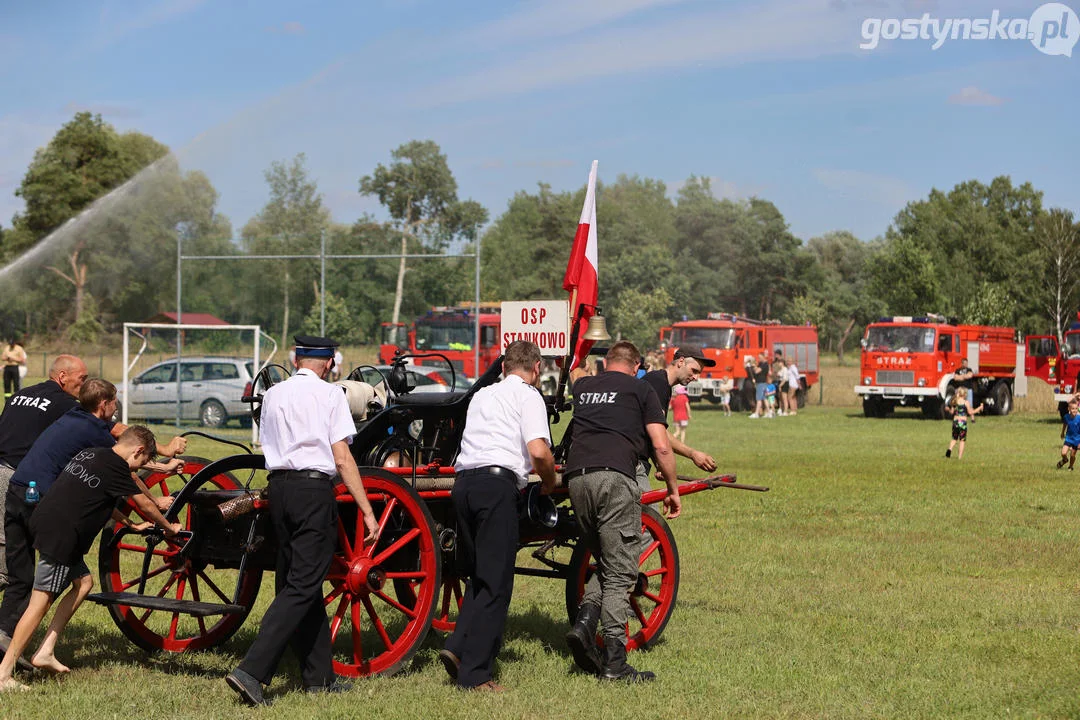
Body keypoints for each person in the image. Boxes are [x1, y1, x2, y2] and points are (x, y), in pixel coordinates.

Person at [226, 335, 379, 707]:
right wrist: (368, 510)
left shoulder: (274, 394)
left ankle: (319, 677)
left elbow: (268, 444)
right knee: (302, 584)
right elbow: (342, 458)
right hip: (313, 491)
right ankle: (252, 671)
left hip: (279, 490)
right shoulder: (330, 396)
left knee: (300, 580)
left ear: (296, 358)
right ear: (329, 363)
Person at [0, 379, 182, 655]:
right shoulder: (96, 434)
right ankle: (17, 654)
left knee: (21, 576)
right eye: (115, 400)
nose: (117, 405)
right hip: (41, 502)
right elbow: (127, 469)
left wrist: (162, 467)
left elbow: (123, 458)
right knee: (54, 586)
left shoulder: (76, 414)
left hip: (16, 491)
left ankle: (5, 637)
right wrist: (158, 503)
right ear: (104, 404)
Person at [439, 341, 557, 692]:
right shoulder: (529, 396)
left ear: (504, 366)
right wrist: (550, 481)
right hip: (496, 486)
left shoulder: (483, 395)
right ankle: (476, 675)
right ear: (536, 368)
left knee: (480, 576)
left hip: (463, 486)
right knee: (497, 583)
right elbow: (538, 451)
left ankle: (458, 648)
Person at [563, 341, 681, 683]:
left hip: (576, 480)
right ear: (636, 365)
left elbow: (574, 367)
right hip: (615, 479)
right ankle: (616, 663)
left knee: (608, 561)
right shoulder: (641, 388)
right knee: (620, 574)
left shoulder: (583, 385)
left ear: (607, 362)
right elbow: (660, 444)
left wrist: (581, 340)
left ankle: (585, 625)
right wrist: (672, 489)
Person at [639, 345, 717, 492]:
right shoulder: (658, 382)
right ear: (681, 362)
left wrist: (659, 464)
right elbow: (659, 432)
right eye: (694, 371)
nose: (696, 377)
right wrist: (692, 454)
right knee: (648, 514)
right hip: (632, 463)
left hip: (635, 461)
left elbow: (648, 427)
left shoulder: (663, 384)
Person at [945, 387, 983, 460]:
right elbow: (970, 412)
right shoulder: (966, 402)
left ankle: (950, 449)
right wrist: (979, 409)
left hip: (955, 422)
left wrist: (948, 409)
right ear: (965, 394)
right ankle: (959, 458)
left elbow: (951, 412)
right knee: (962, 440)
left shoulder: (954, 401)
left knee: (954, 438)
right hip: (962, 422)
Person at [1058, 397, 1080, 469]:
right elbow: (1065, 424)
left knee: (1072, 455)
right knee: (1063, 453)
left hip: (1077, 439)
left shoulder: (1079, 418)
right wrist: (1062, 433)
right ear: (1069, 409)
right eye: (1073, 409)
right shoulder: (1066, 417)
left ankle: (1071, 466)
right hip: (1068, 438)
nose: (1074, 410)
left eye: (1076, 409)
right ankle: (1065, 460)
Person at [750, 352, 770, 419]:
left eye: (760, 357)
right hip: (762, 383)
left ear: (764, 357)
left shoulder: (765, 364)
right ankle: (769, 413)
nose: (759, 359)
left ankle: (756, 414)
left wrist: (754, 366)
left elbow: (757, 371)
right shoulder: (761, 364)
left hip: (761, 383)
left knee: (759, 399)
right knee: (764, 398)